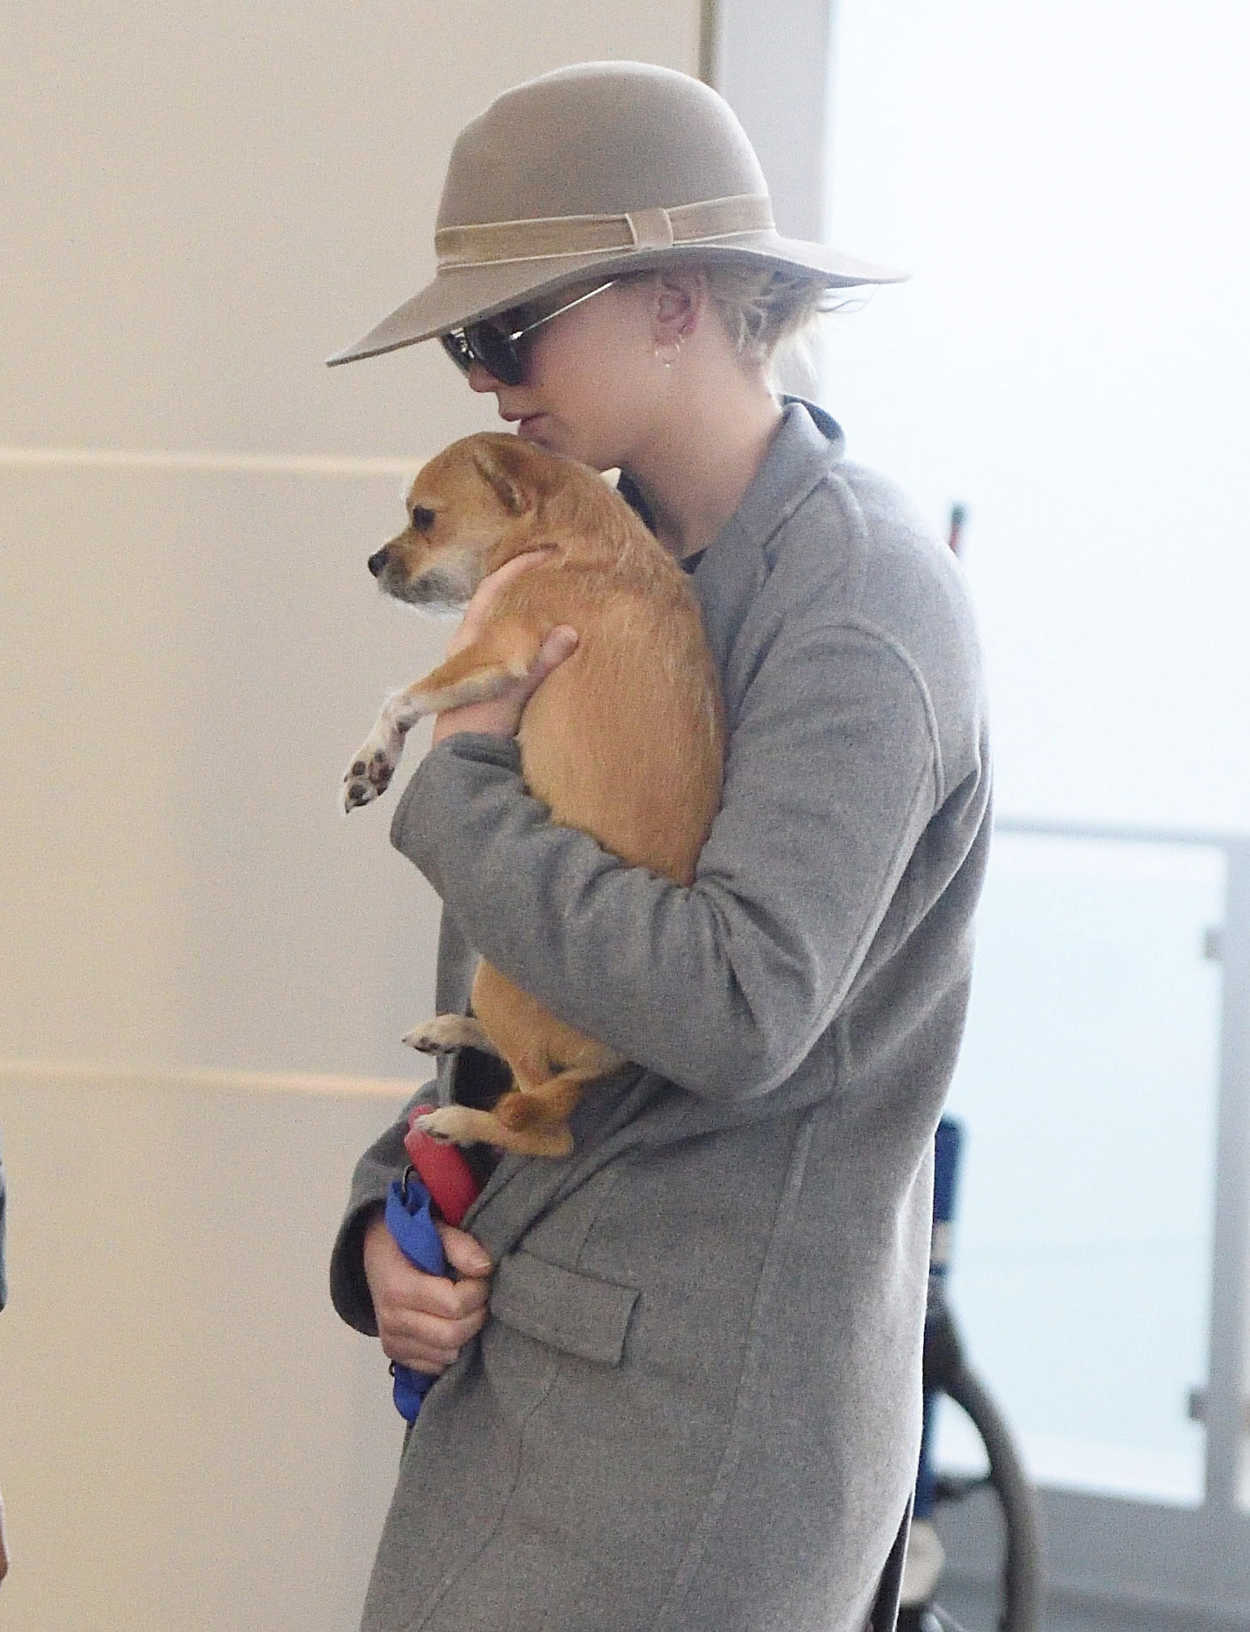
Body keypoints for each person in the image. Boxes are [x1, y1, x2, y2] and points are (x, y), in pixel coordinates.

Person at [326, 61, 991, 1632]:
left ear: (677, 299)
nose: (485, 379)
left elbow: (737, 1009)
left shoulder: (859, 602)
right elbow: (517, 977)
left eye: (510, 328)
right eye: (465, 342)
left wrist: (462, 789)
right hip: (529, 1385)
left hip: (699, 1452)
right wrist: (385, 1222)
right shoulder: (594, 559)